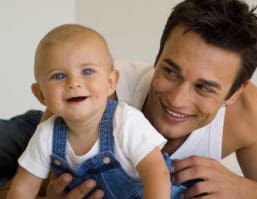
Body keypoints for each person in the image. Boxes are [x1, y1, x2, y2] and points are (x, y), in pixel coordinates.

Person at [1, 0, 257, 198]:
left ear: (234, 94)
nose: (177, 100)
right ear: (157, 57)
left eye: (204, 88)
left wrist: (244, 190)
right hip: (42, 135)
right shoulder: (99, 94)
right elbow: (23, 183)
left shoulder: (246, 115)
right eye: (170, 71)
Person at [7, 24, 172, 199]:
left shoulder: (125, 121)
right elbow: (23, 188)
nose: (74, 83)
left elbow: (157, 174)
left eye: (87, 71)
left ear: (110, 83)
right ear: (41, 94)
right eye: (59, 76)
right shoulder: (46, 134)